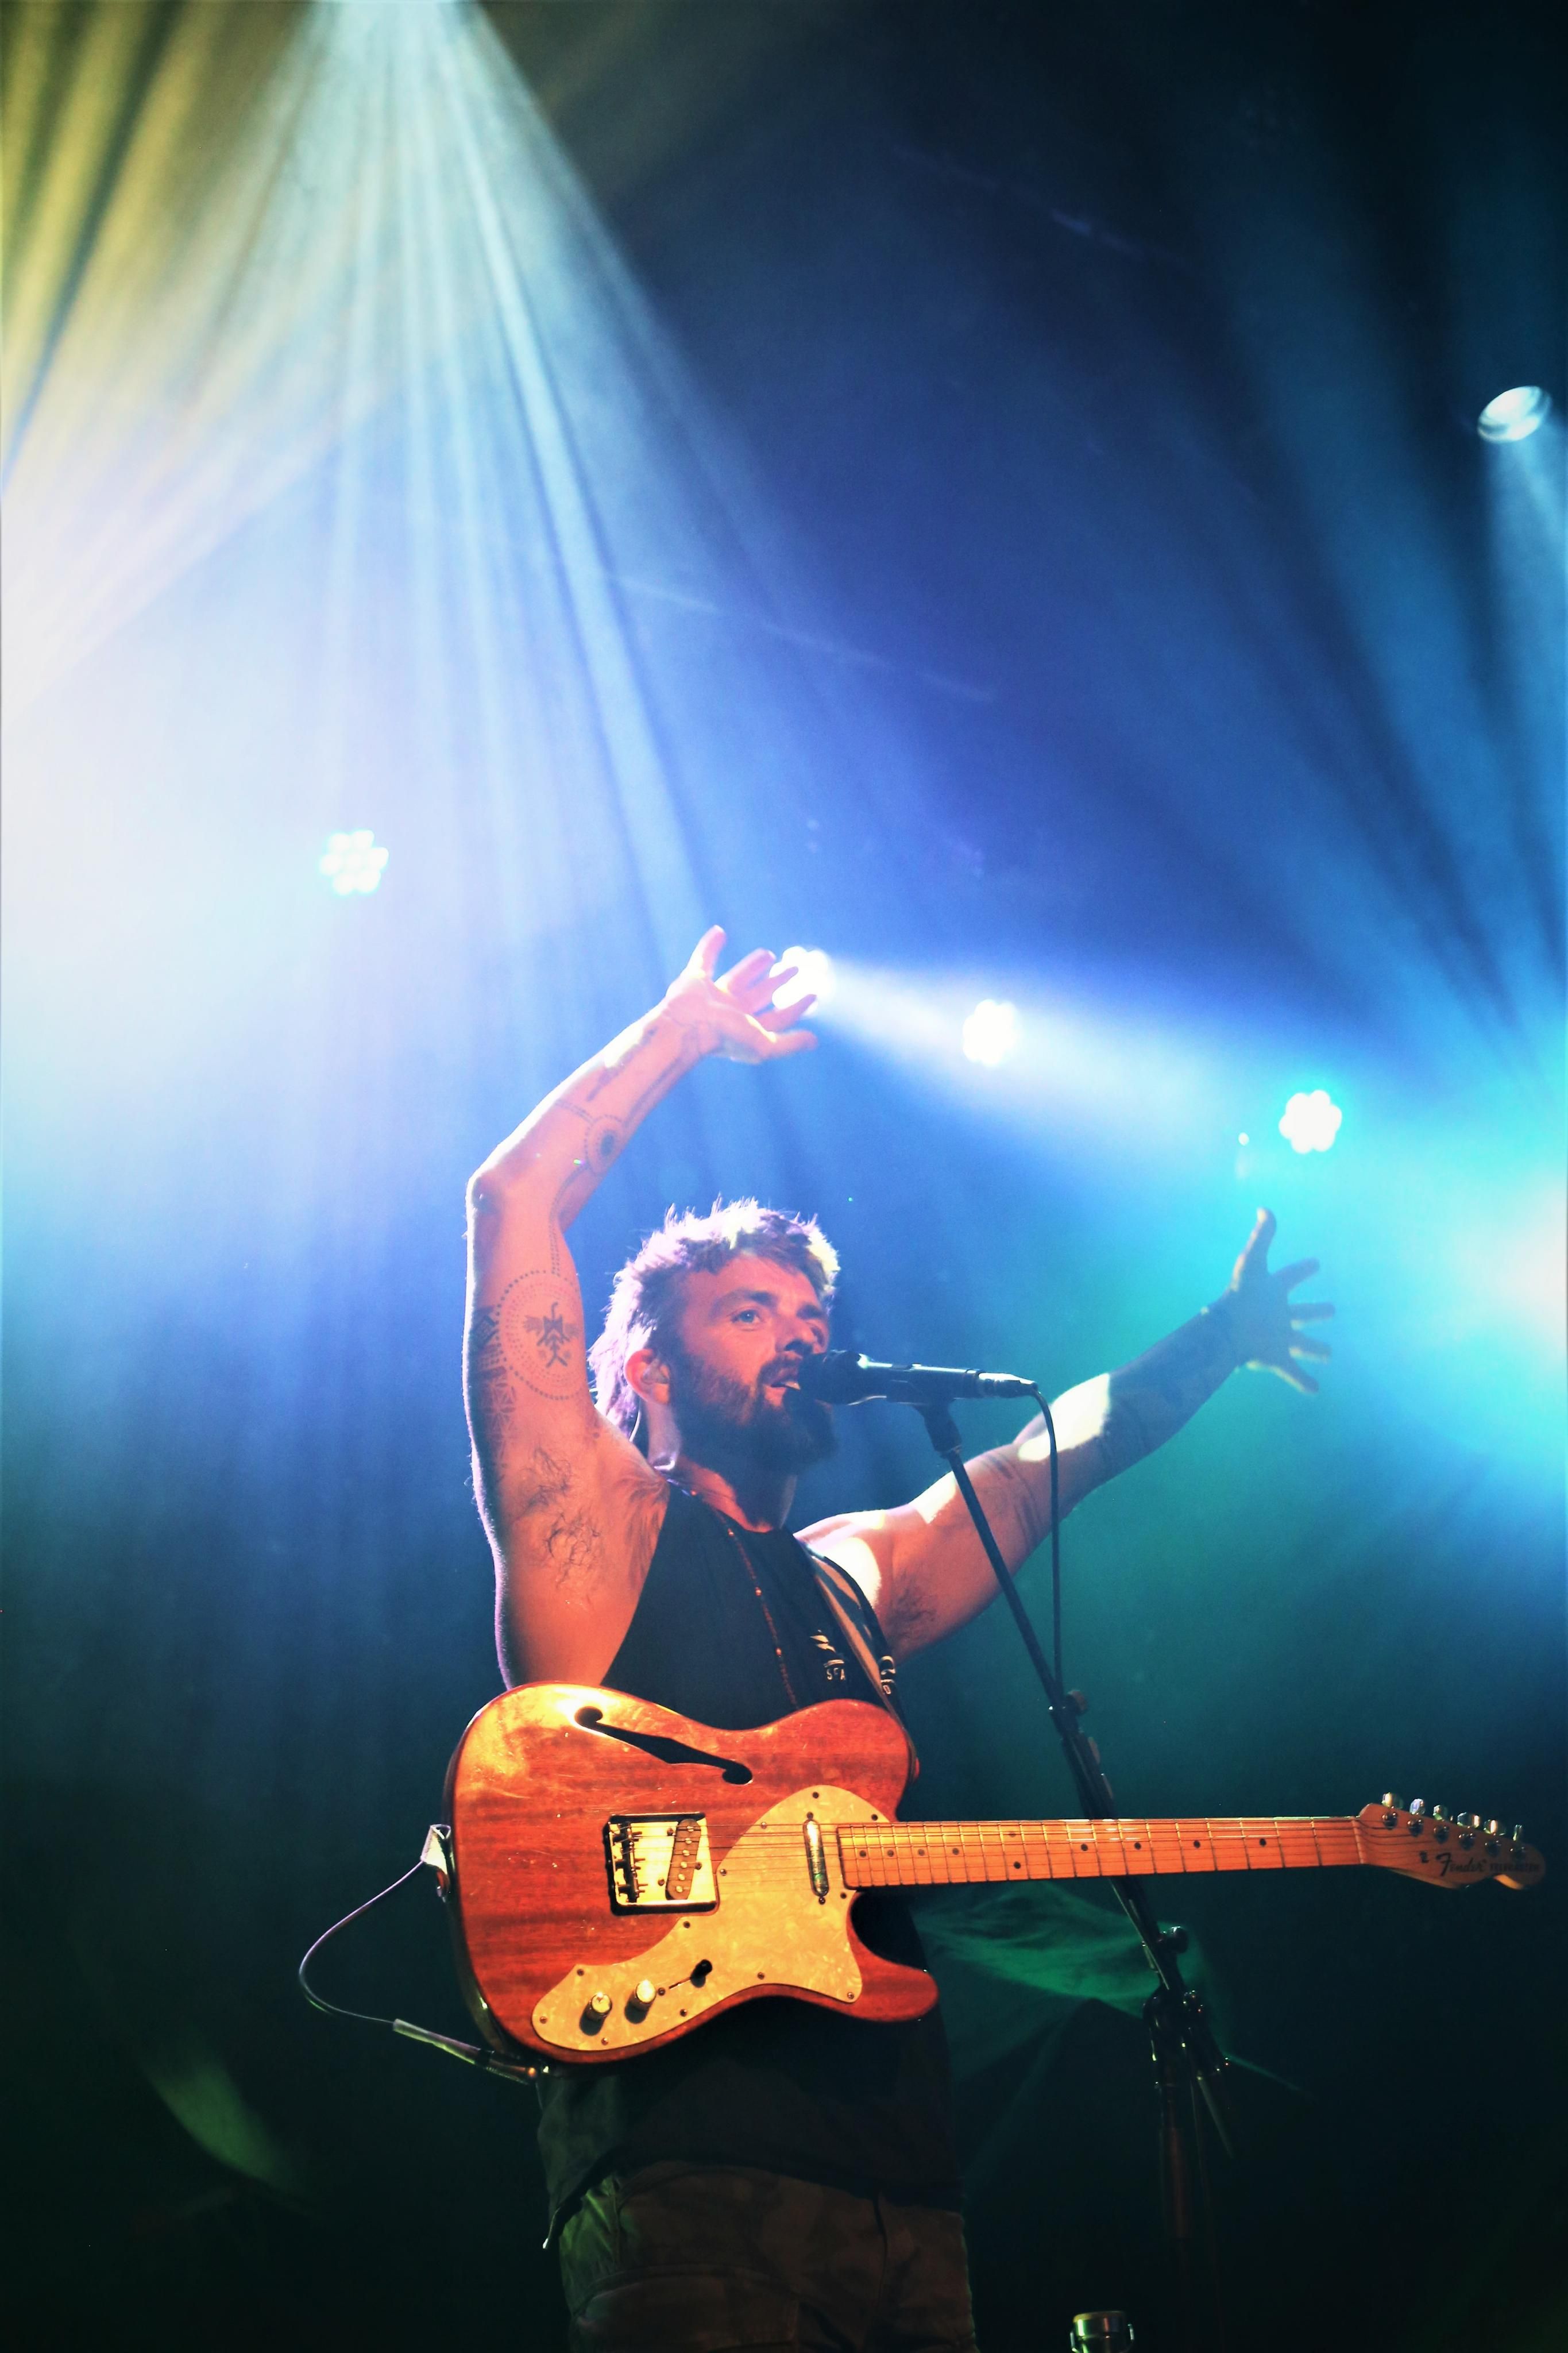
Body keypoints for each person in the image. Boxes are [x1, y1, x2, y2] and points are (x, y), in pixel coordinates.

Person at [464, 928, 1333, 2353]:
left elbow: (1038, 1467)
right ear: (645, 1365)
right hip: (684, 2167)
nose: (799, 1336)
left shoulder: (848, 1575)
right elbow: (510, 1203)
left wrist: (1216, 1339)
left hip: (906, 2181)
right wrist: (679, 1035)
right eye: (751, 1312)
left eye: (811, 1314)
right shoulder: (597, 1527)